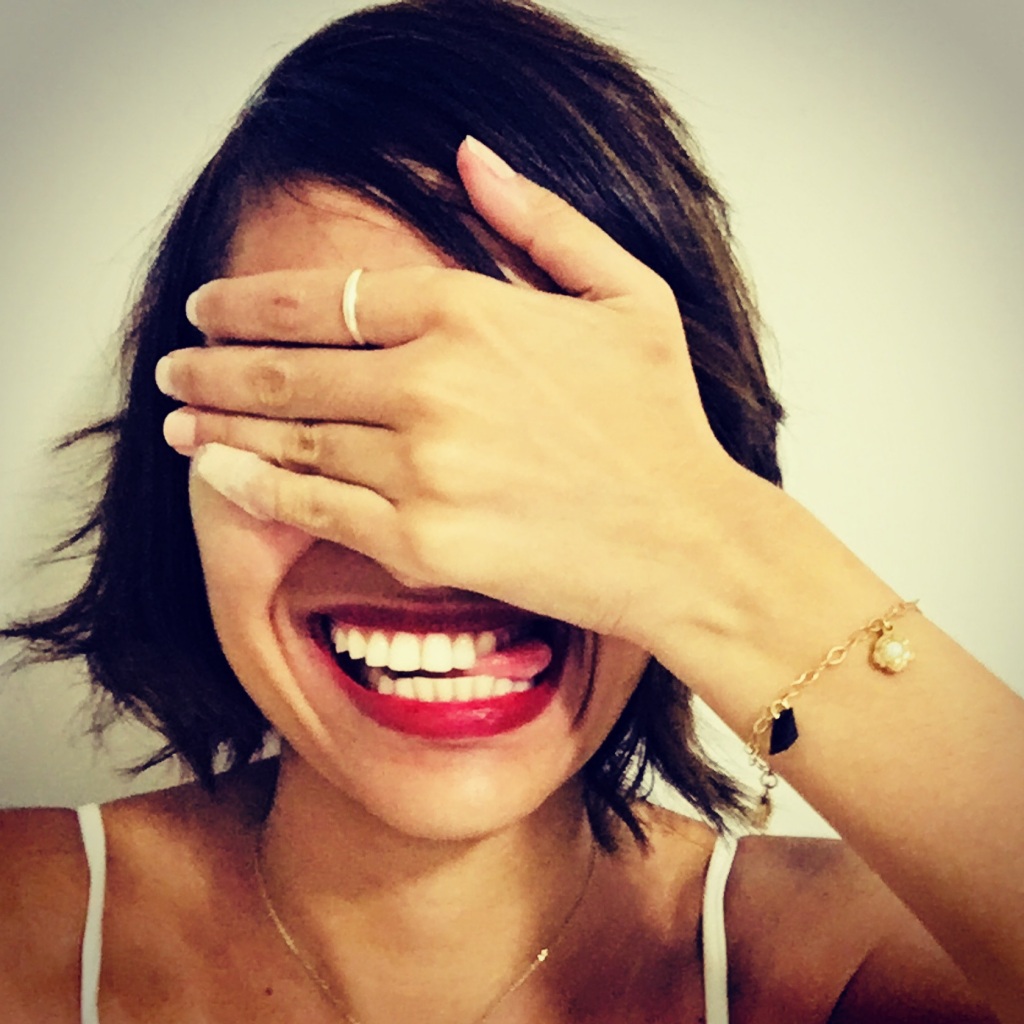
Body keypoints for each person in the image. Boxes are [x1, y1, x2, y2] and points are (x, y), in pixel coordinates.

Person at [0, 0, 1021, 1020]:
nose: (430, 544)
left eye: (532, 441)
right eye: (321, 402)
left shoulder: (850, 965)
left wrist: (720, 561)